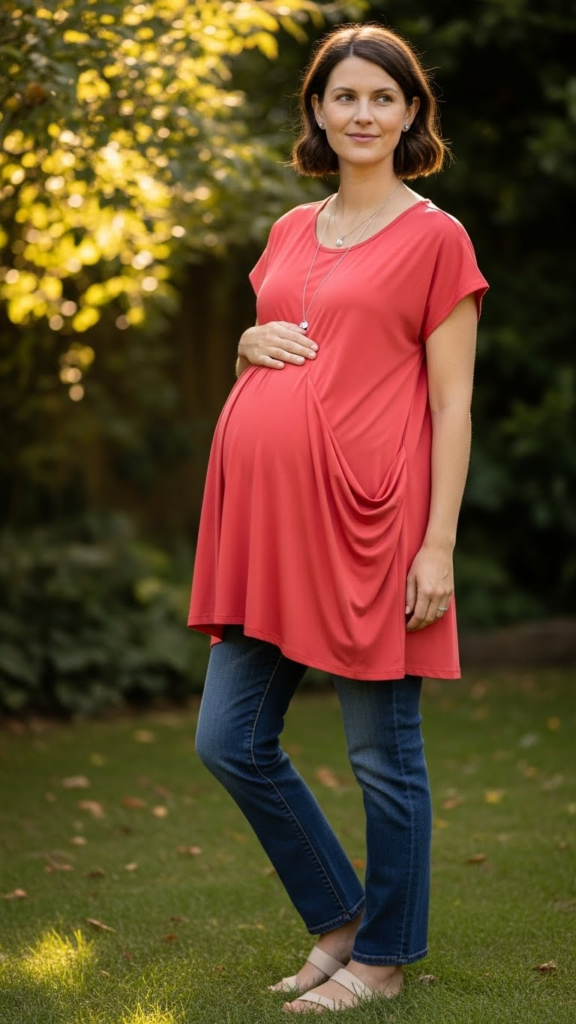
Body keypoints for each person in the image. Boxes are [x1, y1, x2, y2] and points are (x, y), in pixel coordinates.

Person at [188, 22, 489, 1013]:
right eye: (345, 96)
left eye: (382, 97)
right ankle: (342, 919)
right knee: (228, 739)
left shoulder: (437, 238)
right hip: (266, 533)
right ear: (317, 109)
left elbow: (452, 403)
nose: (363, 113)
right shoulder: (288, 228)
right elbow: (280, 347)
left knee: (381, 756)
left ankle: (386, 959)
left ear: (411, 115)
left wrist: (437, 546)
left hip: (373, 527)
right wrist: (245, 345)